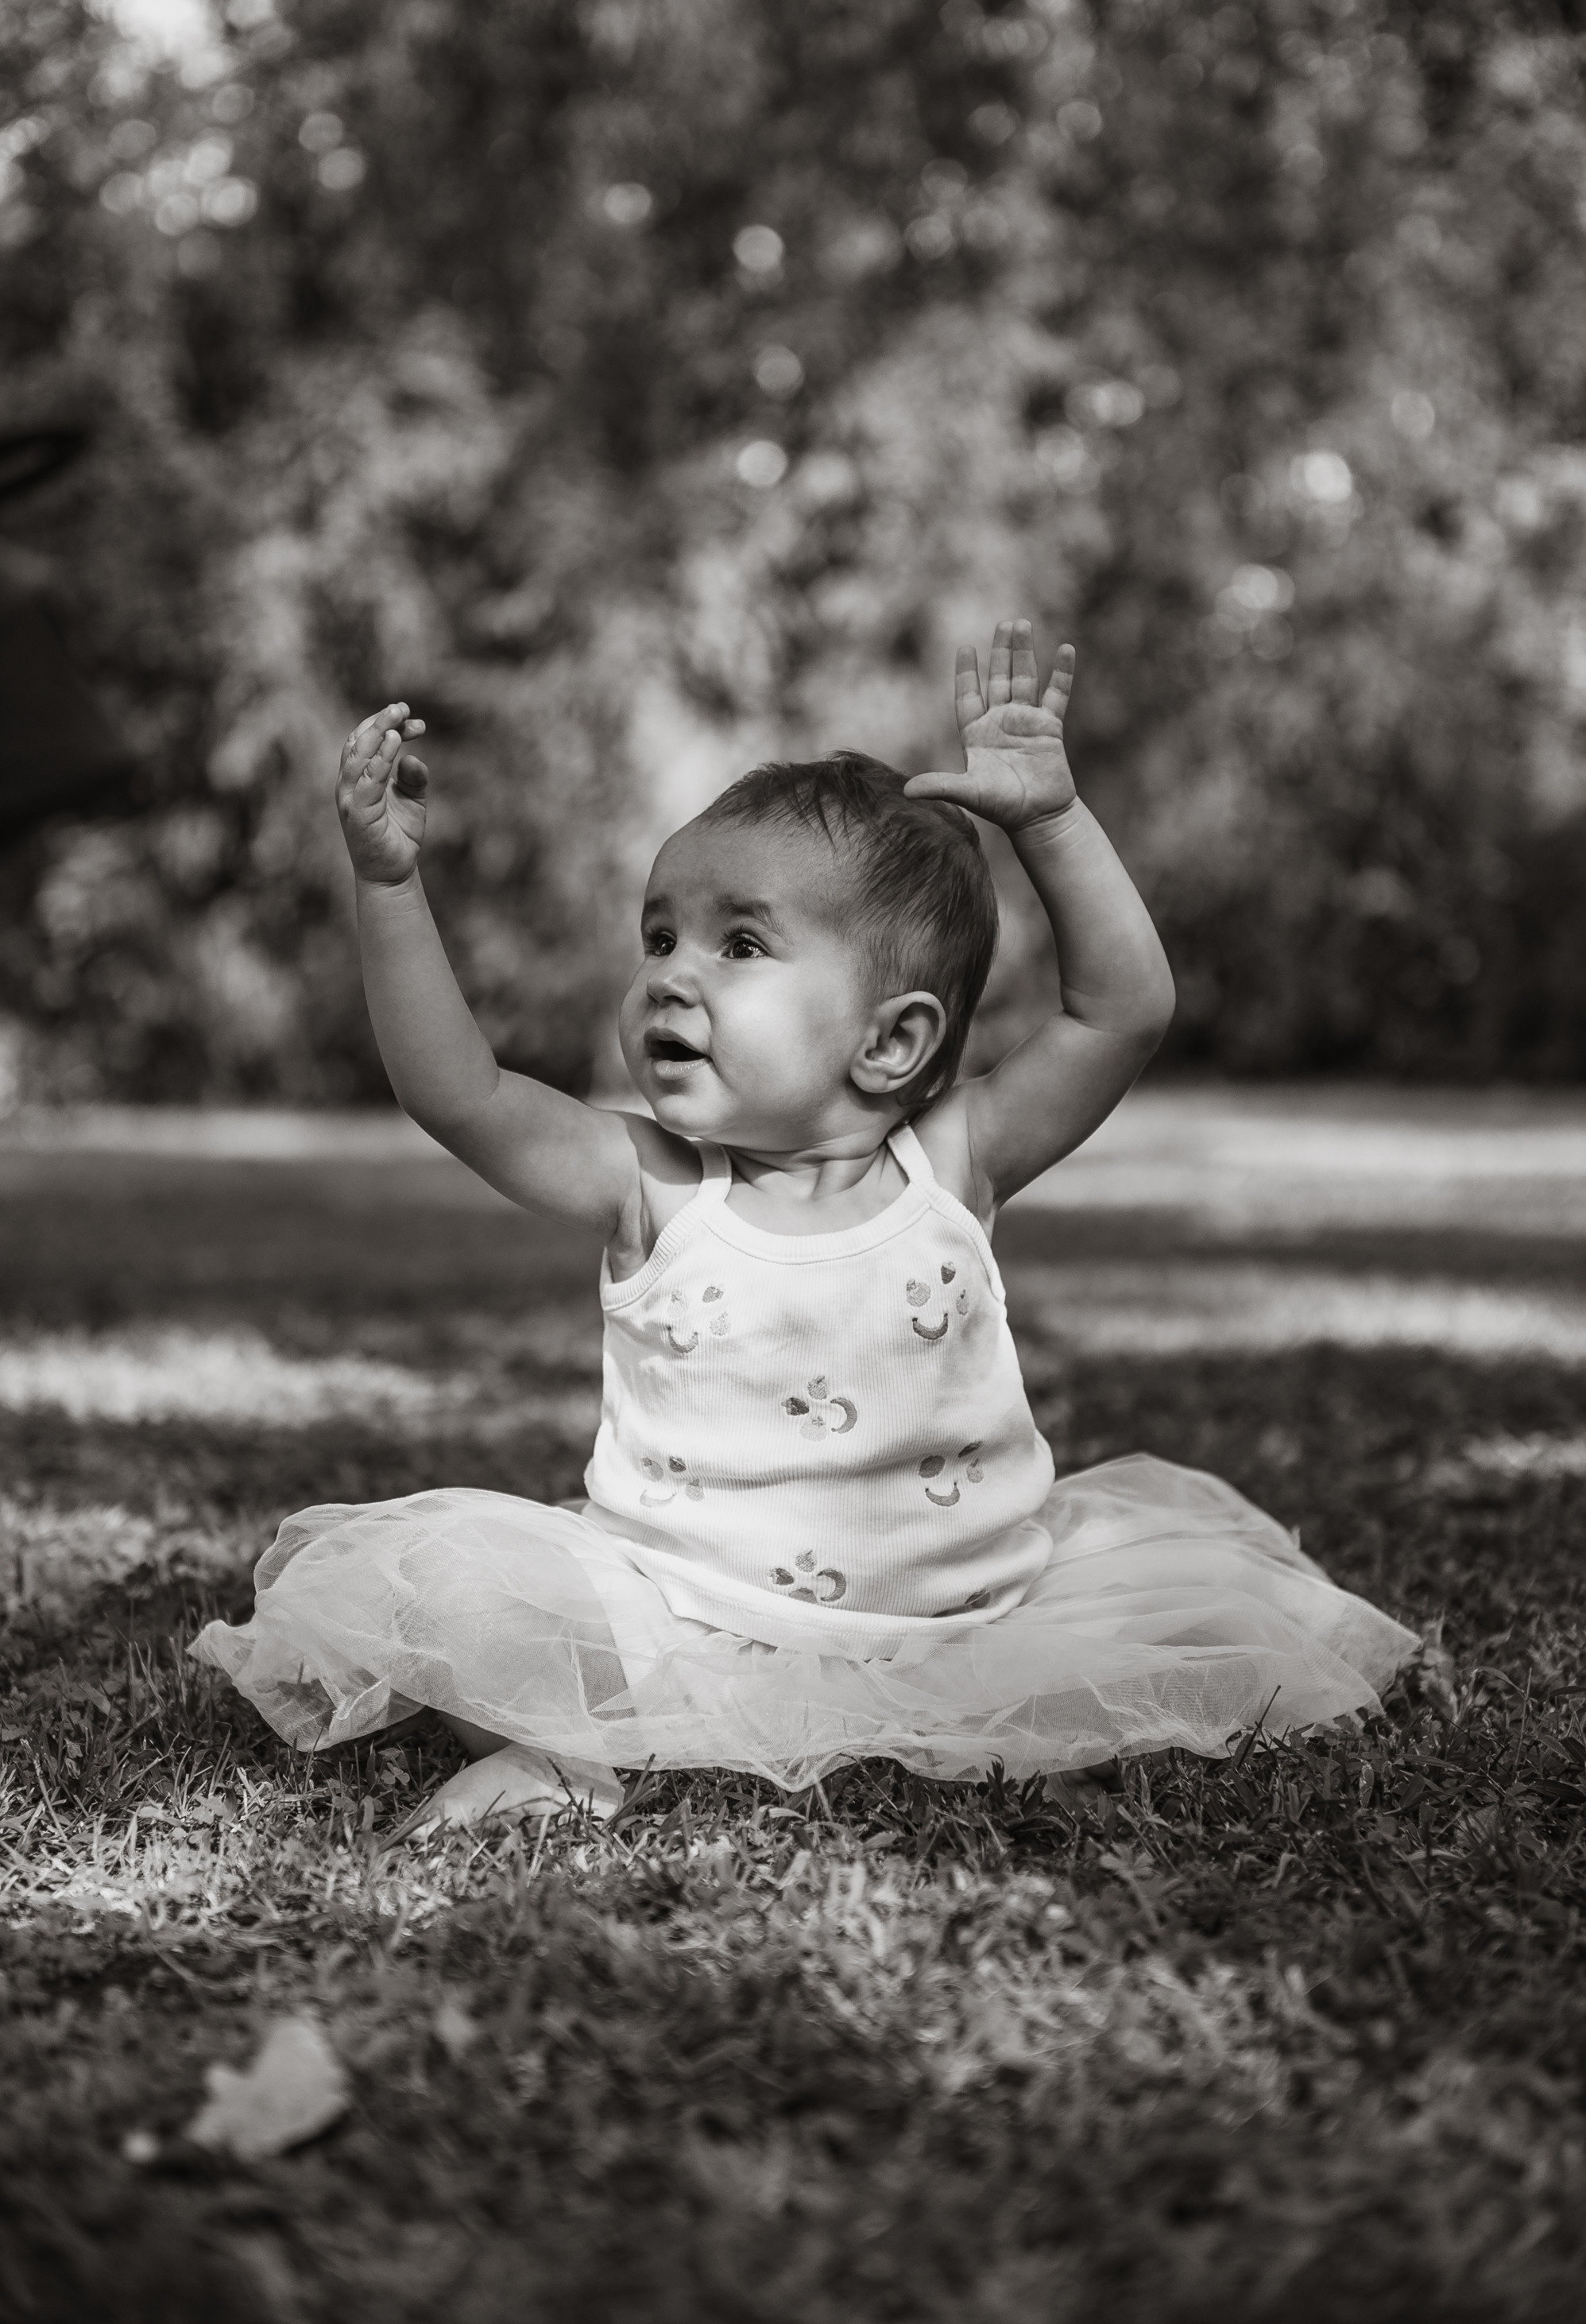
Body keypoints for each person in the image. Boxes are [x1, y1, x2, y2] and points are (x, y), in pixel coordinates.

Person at [191, 619, 1418, 1833]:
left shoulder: (956, 1164)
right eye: (661, 935)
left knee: (1162, 1627)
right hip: (679, 1619)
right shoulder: (652, 1184)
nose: (673, 973)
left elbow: (1125, 1013)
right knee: (457, 1587)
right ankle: (561, 1756)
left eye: (741, 944)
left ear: (893, 1041)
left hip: (968, 1620)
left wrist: (1049, 822)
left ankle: (993, 1718)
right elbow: (458, 1094)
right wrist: (392, 888)